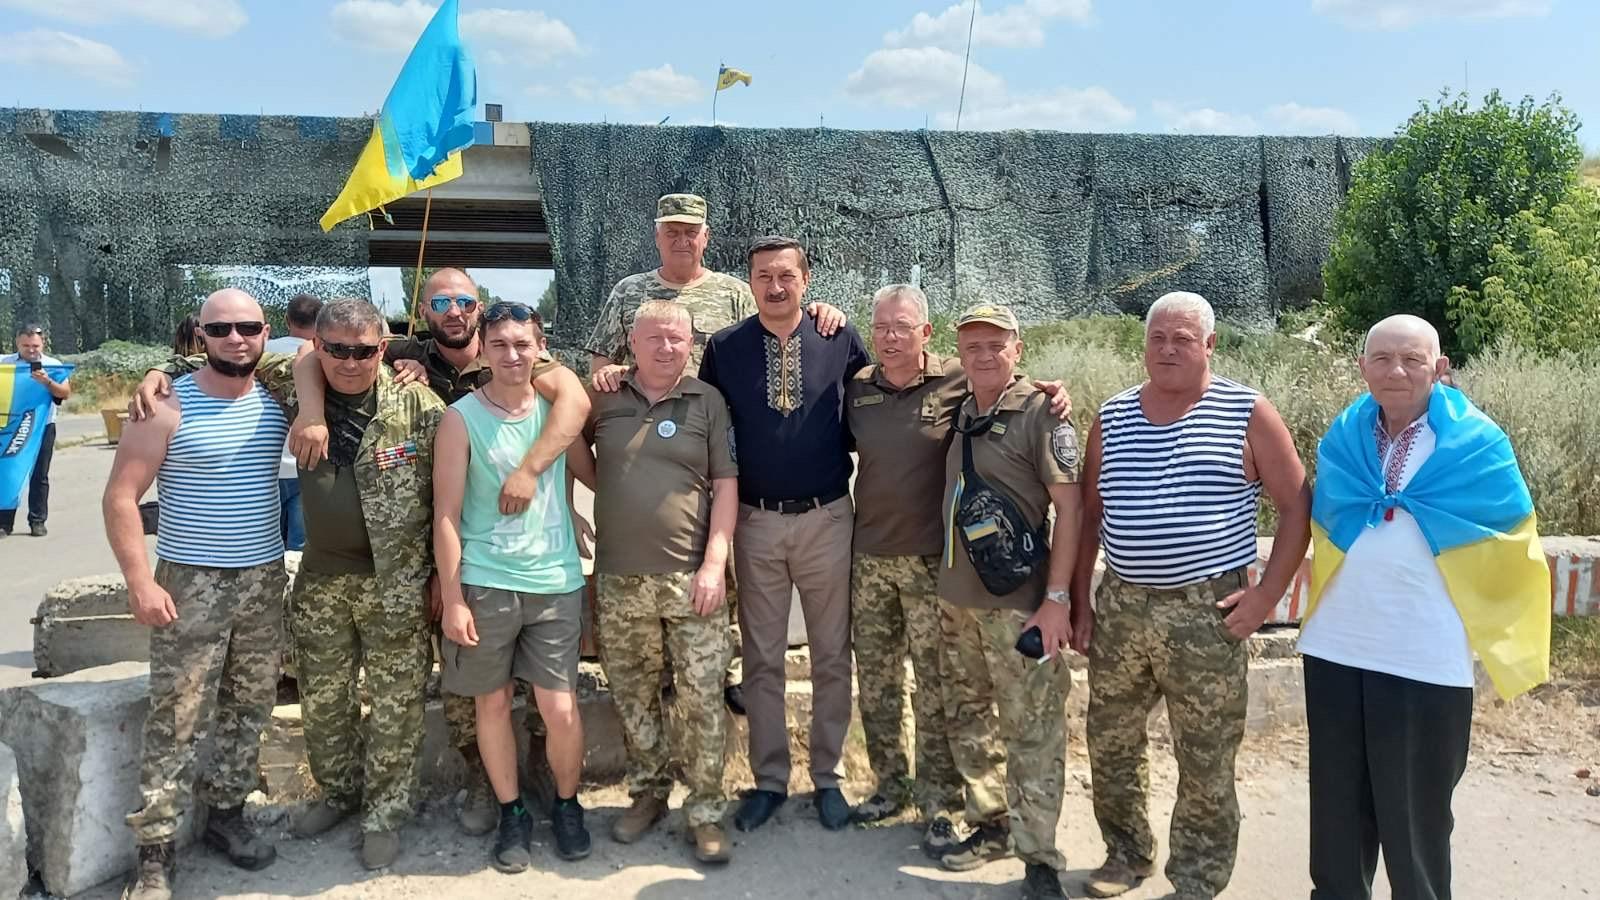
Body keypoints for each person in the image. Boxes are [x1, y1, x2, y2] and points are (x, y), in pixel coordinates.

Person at [1298, 314, 1550, 900]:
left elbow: (1511, 537)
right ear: (1362, 367)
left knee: (1416, 824)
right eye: (1382, 358)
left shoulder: (1477, 444)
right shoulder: (1344, 436)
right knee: (1336, 815)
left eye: (1412, 359)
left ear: (1439, 368)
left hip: (1423, 656)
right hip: (1335, 647)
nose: (1396, 371)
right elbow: (1329, 519)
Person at [1073, 292, 1311, 900]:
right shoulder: (1114, 416)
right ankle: (1126, 853)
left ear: (1209, 345)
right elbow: (1089, 516)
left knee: (1205, 753)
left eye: (1183, 339)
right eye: (1158, 338)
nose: (1168, 349)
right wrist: (1079, 601)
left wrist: (1267, 597)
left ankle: (1197, 880)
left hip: (1208, 612)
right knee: (1110, 739)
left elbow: (1296, 508)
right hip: (1123, 606)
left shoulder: (1247, 412)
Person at [587, 192, 846, 715]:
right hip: (654, 448)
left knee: (722, 566)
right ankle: (662, 670)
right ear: (657, 235)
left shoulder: (734, 292)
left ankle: (724, 666)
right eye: (672, 231)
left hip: (722, 445)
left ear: (706, 237)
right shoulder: (629, 292)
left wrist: (822, 310)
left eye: (691, 231)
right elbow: (599, 361)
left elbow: (778, 324)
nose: (681, 239)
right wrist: (610, 373)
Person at [845, 285, 1071, 859]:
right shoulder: (860, 387)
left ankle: (944, 803)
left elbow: (1011, 397)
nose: (890, 337)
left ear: (925, 333)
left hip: (944, 566)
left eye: (903, 327)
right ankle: (894, 788)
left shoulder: (961, 382)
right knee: (888, 685)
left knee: (943, 692)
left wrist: (1053, 392)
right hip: (876, 558)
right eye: (881, 327)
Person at [102, 289, 289, 900]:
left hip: (262, 578)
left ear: (266, 333)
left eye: (249, 327)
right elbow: (121, 497)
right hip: (191, 581)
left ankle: (227, 816)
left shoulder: (279, 398)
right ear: (199, 336)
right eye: (221, 328)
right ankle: (154, 851)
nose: (236, 338)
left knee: (248, 706)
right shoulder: (164, 405)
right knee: (176, 714)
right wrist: (140, 582)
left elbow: (339, 359)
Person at [243, 298, 438, 869]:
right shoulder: (294, 384)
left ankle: (385, 812)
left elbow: (452, 493)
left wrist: (441, 578)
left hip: (396, 583)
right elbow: (224, 355)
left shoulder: (418, 403)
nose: (350, 363)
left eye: (363, 351)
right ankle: (339, 792)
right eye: (336, 350)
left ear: (384, 348)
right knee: (325, 702)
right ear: (316, 347)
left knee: (398, 705)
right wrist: (309, 410)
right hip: (322, 583)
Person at [697, 235, 869, 833]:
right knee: (762, 658)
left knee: (831, 654)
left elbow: (880, 397)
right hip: (755, 522)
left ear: (806, 279)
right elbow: (708, 422)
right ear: (749, 283)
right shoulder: (724, 348)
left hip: (827, 518)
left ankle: (829, 777)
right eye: (763, 276)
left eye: (786, 276)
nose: (775, 287)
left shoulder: (839, 337)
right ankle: (769, 779)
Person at [566, 301, 739, 864]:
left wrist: (714, 564)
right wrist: (580, 500)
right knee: (633, 697)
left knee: (702, 698)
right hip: (620, 579)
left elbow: (726, 485)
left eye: (677, 339)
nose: (667, 348)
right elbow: (562, 437)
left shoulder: (708, 401)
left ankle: (707, 811)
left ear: (691, 344)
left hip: (692, 579)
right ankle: (648, 794)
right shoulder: (603, 397)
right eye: (655, 338)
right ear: (632, 344)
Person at [435, 301, 592, 873]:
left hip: (554, 580)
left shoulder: (556, 414)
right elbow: (447, 514)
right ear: (482, 348)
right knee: (494, 703)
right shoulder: (460, 419)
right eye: (499, 344)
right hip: (487, 581)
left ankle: (568, 805)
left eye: (522, 344)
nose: (512, 355)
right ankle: (513, 813)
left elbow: (590, 473)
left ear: (540, 347)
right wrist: (454, 598)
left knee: (559, 706)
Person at [932, 303, 1081, 900]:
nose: (984, 355)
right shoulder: (962, 408)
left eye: (996, 345)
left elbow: (1070, 509)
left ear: (1018, 349)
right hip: (957, 602)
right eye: (972, 346)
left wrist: (1058, 599)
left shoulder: (1042, 413)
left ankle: (1039, 858)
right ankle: (990, 824)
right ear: (959, 355)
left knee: (1032, 731)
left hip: (1020, 605)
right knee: (969, 717)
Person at [264, 293, 323, 551]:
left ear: (287, 320)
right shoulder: (325, 357)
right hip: (307, 464)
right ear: (320, 323)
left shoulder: (262, 352)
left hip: (265, 467)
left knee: (265, 545)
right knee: (300, 548)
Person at [1, 322, 70, 537]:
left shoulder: (52, 365)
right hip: (11, 427)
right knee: (8, 473)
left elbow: (65, 393)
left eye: (35, 346)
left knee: (39, 475)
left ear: (43, 344)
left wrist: (47, 382)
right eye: (26, 346)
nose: (31, 350)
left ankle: (37, 521)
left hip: (42, 426)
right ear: (17, 343)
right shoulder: (4, 363)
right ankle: (4, 523)